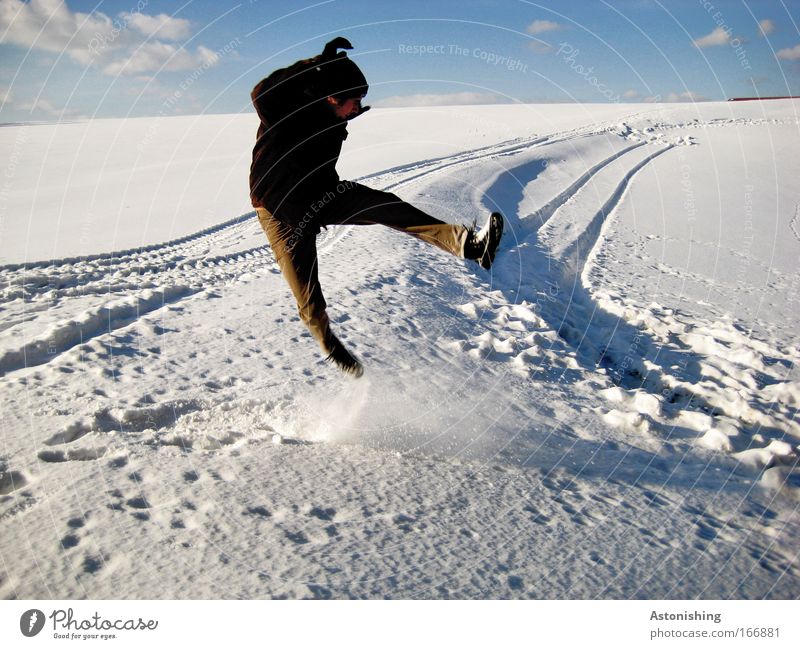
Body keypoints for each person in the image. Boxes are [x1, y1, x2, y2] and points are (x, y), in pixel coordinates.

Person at [249, 37, 503, 377]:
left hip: (323, 195)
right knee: (307, 291)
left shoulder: (337, 116)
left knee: (386, 205)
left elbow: (334, 124)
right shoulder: (286, 111)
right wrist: (313, 65)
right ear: (331, 96)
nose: (357, 109)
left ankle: (468, 245)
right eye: (353, 101)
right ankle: (328, 343)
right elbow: (262, 92)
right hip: (279, 212)